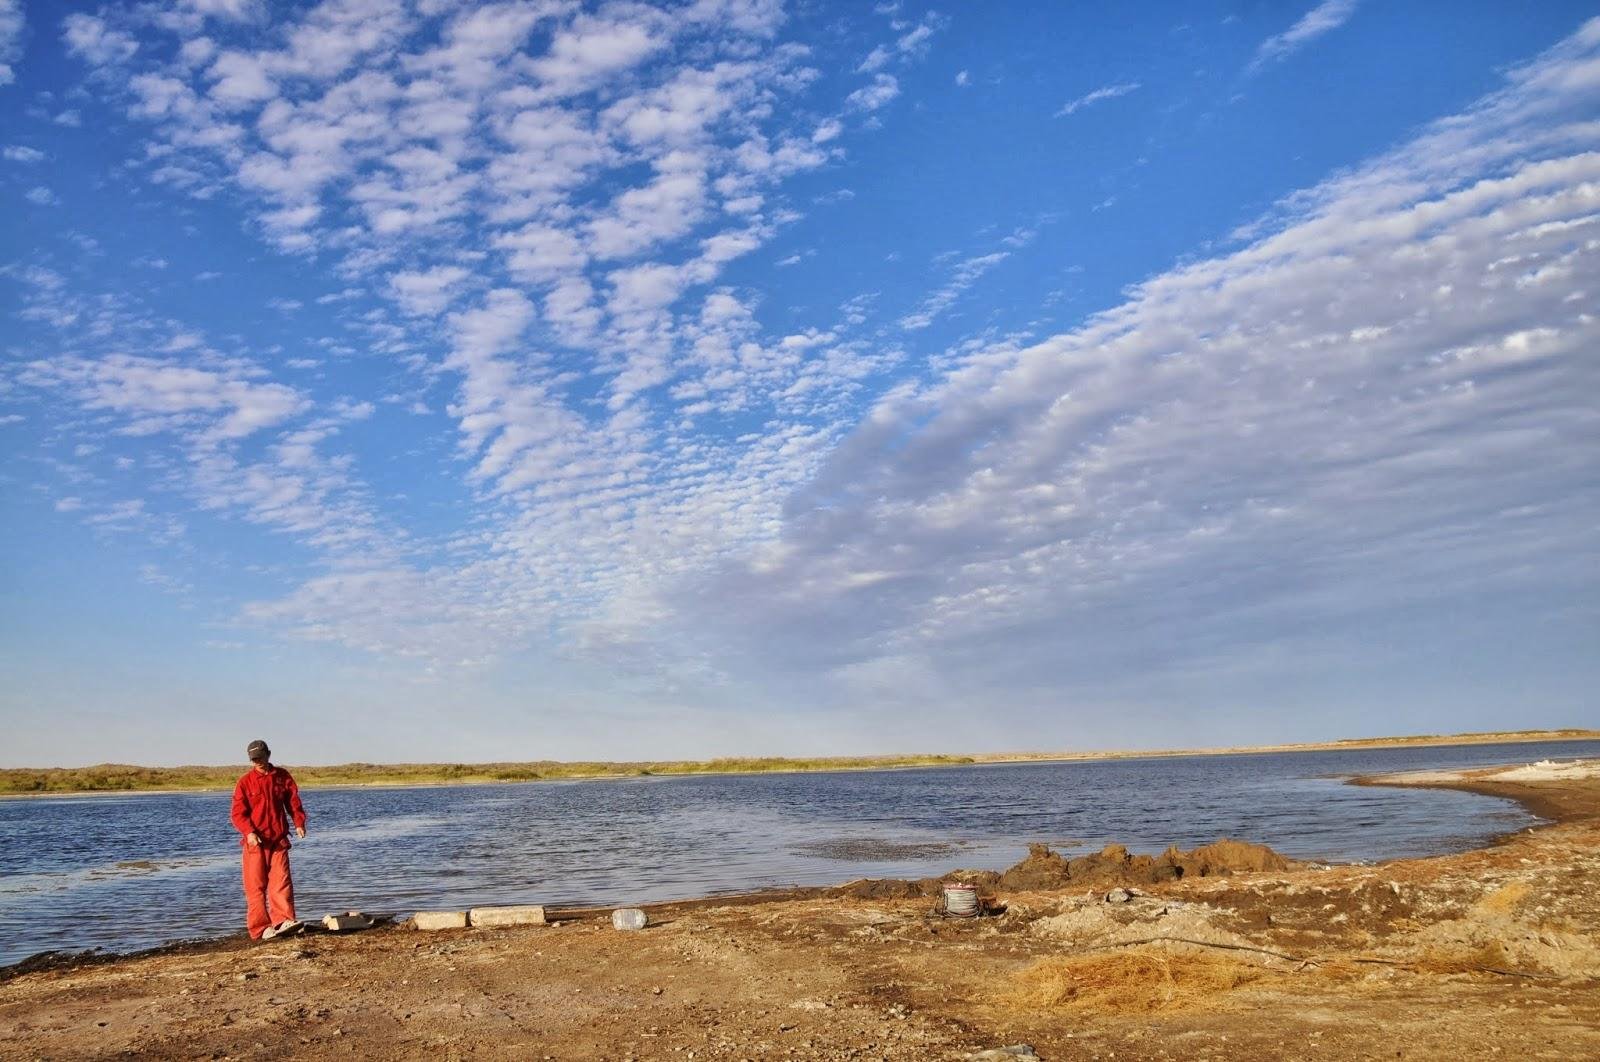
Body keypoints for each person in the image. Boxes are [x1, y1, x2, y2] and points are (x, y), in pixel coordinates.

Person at [230, 739, 308, 940]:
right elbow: (238, 814)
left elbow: (293, 802)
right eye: (254, 759)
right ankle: (260, 928)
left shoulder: (282, 777)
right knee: (255, 887)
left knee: (281, 882)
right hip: (255, 843)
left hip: (278, 840)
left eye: (260, 758)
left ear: (268, 755)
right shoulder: (245, 782)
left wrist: (299, 823)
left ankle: (283, 921)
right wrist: (249, 832)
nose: (258, 762)